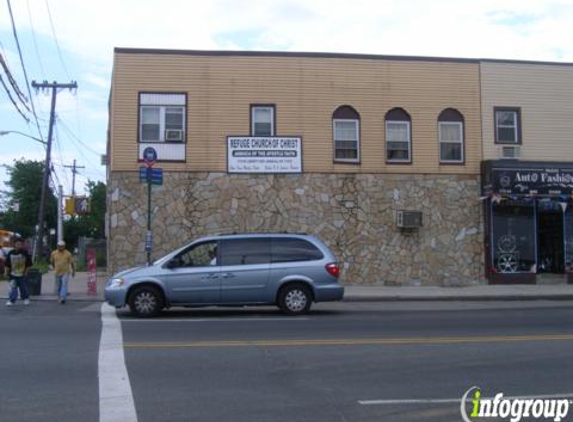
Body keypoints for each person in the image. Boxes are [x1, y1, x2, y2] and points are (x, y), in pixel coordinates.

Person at [5, 238, 32, 306]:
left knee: (23, 288)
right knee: (13, 288)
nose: (19, 245)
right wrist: (6, 272)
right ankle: (11, 300)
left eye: (20, 244)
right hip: (12, 274)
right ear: (15, 244)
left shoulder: (24, 253)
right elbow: (7, 264)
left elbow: (29, 264)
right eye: (18, 244)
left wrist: (26, 272)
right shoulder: (10, 253)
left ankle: (25, 299)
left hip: (22, 274)